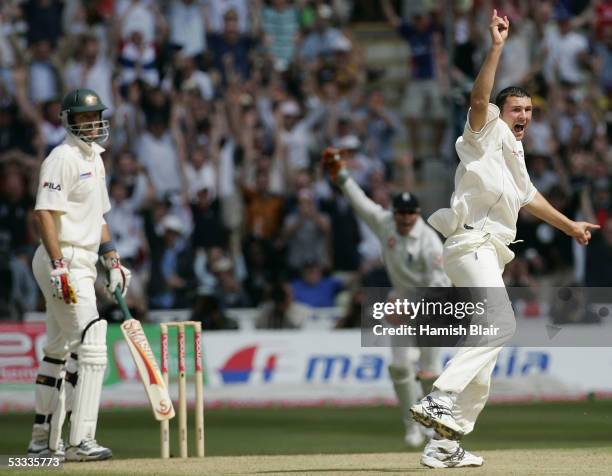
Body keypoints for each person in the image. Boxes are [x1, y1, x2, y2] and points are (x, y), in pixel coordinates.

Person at [409, 11, 599, 469]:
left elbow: (529, 197)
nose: (524, 117)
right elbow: (478, 98)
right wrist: (495, 47)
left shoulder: (514, 154)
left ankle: (445, 445)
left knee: (486, 365)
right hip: (469, 242)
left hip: (491, 254)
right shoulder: (484, 132)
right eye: (517, 109)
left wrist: (570, 226)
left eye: (529, 111)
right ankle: (439, 395)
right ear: (500, 112)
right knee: (501, 326)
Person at [321, 147, 451, 450]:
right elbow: (361, 203)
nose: (404, 218)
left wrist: (408, 306)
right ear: (394, 212)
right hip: (402, 300)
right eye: (400, 213)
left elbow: (439, 288)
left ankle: (434, 425)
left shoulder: (430, 243)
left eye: (409, 213)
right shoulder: (386, 225)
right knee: (399, 367)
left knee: (429, 373)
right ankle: (411, 425)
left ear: (417, 214)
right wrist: (341, 177)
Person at [27, 88, 131, 461]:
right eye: (84, 117)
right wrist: (59, 265)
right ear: (69, 120)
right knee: (91, 345)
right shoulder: (62, 157)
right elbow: (45, 214)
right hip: (64, 258)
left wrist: (113, 259)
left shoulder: (95, 158)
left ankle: (42, 444)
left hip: (84, 259)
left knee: (58, 350)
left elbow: (98, 217)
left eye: (95, 116)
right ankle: (79, 441)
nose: (92, 122)